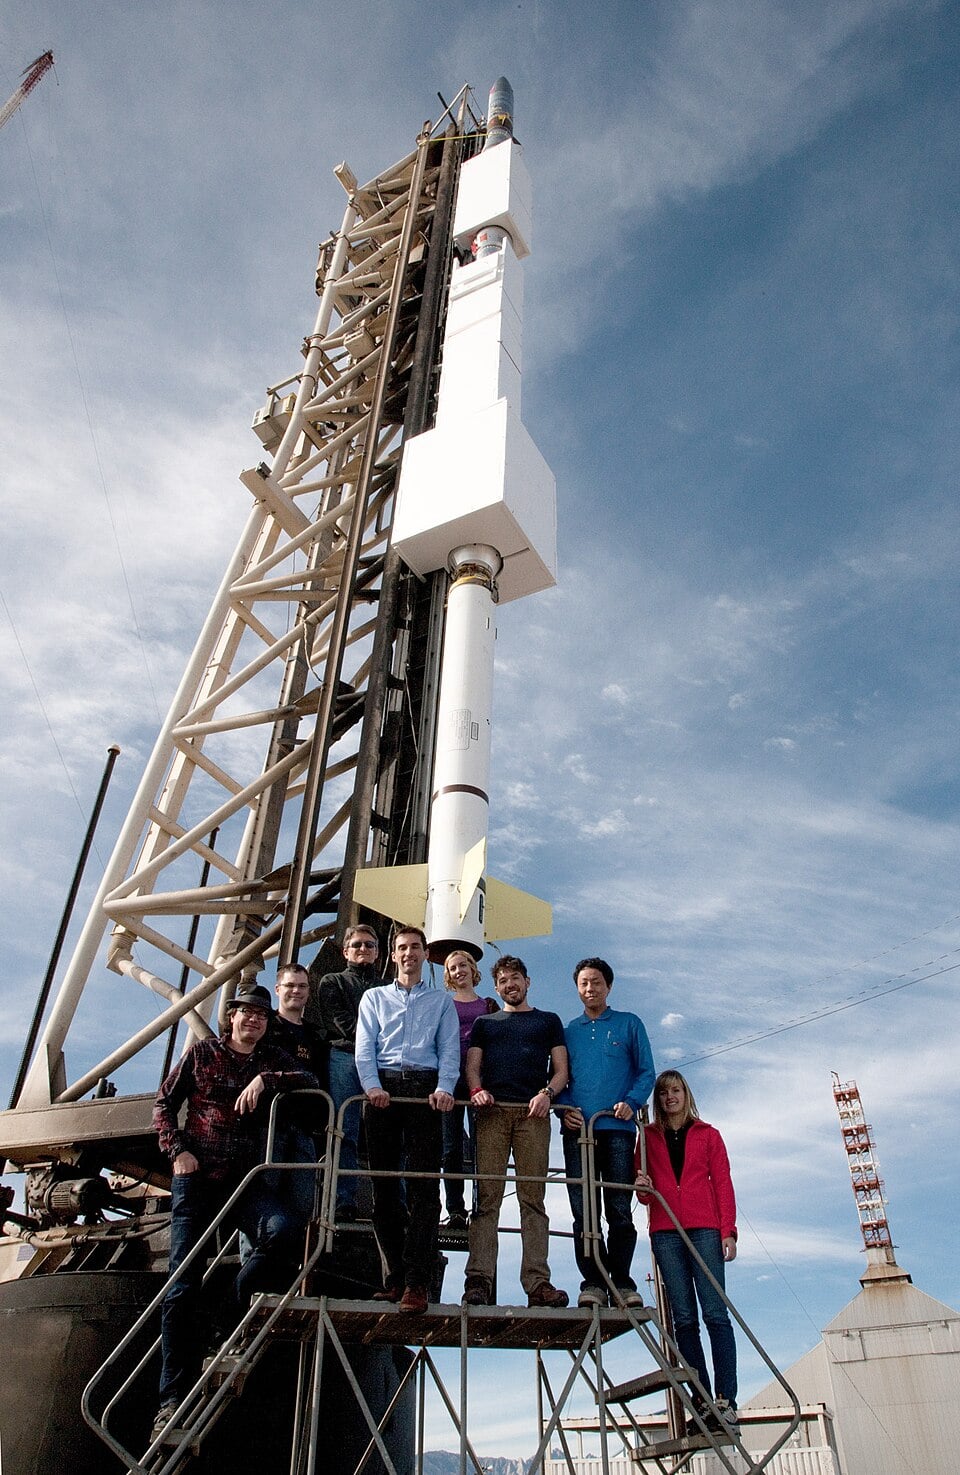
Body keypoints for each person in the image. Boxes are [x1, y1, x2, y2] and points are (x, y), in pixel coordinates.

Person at [151, 984, 318, 1440]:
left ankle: (225, 1312)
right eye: (246, 1013)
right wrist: (177, 1151)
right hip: (197, 1179)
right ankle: (170, 1401)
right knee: (181, 1285)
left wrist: (267, 1080)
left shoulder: (269, 1059)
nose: (254, 1020)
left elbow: (310, 1079)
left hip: (242, 1181)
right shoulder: (202, 1054)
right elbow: (164, 1104)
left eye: (261, 1015)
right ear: (231, 1017)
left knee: (284, 1231)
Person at [354, 925, 459, 1313]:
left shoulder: (441, 1002)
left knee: (424, 1189)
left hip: (424, 1092)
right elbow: (364, 1047)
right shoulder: (374, 998)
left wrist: (445, 1087)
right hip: (383, 1092)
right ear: (393, 954)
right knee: (383, 1189)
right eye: (402, 947)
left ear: (425, 953)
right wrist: (371, 1086)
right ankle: (394, 1278)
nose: (409, 953)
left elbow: (449, 1048)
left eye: (416, 947)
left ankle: (417, 1282)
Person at [634, 1070, 739, 1435]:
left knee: (715, 1314)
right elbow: (643, 1193)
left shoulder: (708, 1135)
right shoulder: (647, 1138)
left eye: (676, 1090)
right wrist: (642, 1186)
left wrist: (728, 1231)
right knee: (684, 1320)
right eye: (663, 1093)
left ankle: (726, 1401)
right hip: (665, 1232)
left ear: (686, 1094)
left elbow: (723, 1183)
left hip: (705, 1230)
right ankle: (701, 1400)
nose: (670, 1097)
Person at [462, 955, 569, 1309]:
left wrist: (547, 1094)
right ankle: (479, 1280)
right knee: (486, 1199)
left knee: (533, 1199)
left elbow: (561, 1070)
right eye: (504, 980)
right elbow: (472, 1067)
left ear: (527, 982)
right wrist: (477, 1090)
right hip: (492, 1114)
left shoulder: (548, 1021)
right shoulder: (485, 1023)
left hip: (532, 1116)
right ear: (496, 988)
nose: (511, 985)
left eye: (516, 978)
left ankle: (538, 1283)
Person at [557, 957, 655, 1309]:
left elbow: (646, 1072)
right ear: (577, 989)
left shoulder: (629, 1024)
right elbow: (558, 1077)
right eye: (583, 983)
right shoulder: (569, 1031)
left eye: (596, 982)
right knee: (583, 1211)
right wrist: (565, 1108)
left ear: (608, 986)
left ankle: (622, 1282)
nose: (590, 989)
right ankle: (593, 1283)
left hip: (617, 1129)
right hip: (578, 1133)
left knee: (619, 1209)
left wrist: (632, 1102)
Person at [316, 924, 381, 1219]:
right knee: (344, 1130)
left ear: (378, 952)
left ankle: (393, 1202)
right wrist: (375, 1038)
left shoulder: (388, 988)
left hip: (382, 1061)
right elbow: (338, 1020)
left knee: (387, 1133)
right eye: (357, 945)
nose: (363, 949)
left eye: (369, 945)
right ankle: (343, 1200)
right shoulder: (333, 982)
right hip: (345, 1057)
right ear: (345, 951)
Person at [440, 949, 499, 1230]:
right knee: (450, 1147)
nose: (458, 971)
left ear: (472, 968)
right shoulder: (443, 1005)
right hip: (451, 1080)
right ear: (448, 975)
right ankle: (455, 1208)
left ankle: (481, 1206)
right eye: (453, 968)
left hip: (480, 1082)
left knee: (481, 1146)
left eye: (462, 965)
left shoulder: (488, 1006)